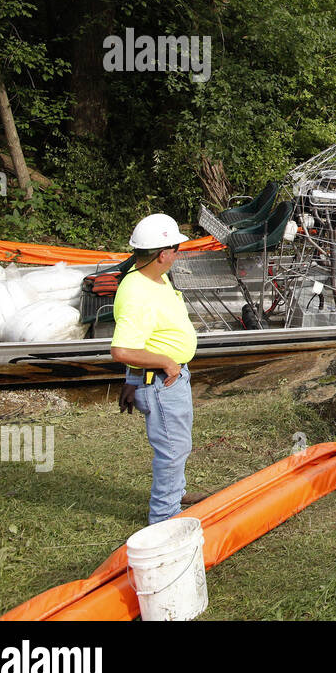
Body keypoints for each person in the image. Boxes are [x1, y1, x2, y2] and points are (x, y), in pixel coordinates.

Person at [110, 213, 197, 525]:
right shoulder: (137, 293)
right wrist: (166, 362)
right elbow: (121, 350)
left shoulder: (152, 277)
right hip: (162, 382)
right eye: (176, 249)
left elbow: (143, 338)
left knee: (178, 443)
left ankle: (176, 494)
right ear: (163, 254)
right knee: (172, 449)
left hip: (164, 379)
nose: (177, 254)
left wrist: (132, 380)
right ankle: (164, 517)